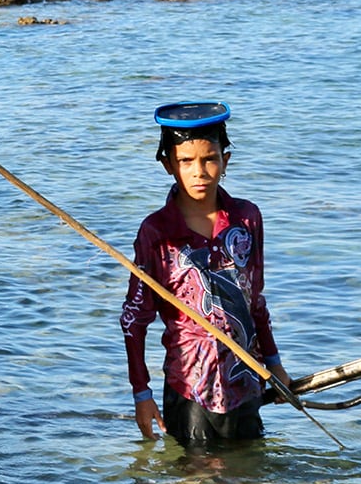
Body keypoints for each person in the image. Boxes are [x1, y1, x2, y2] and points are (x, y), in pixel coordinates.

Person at [122, 102, 295, 446]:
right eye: (186, 161)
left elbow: (255, 300)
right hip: (190, 391)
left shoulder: (247, 220)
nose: (199, 172)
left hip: (246, 384)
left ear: (225, 161)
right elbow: (133, 320)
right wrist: (142, 395)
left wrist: (274, 365)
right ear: (168, 164)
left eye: (210, 159)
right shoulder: (157, 233)